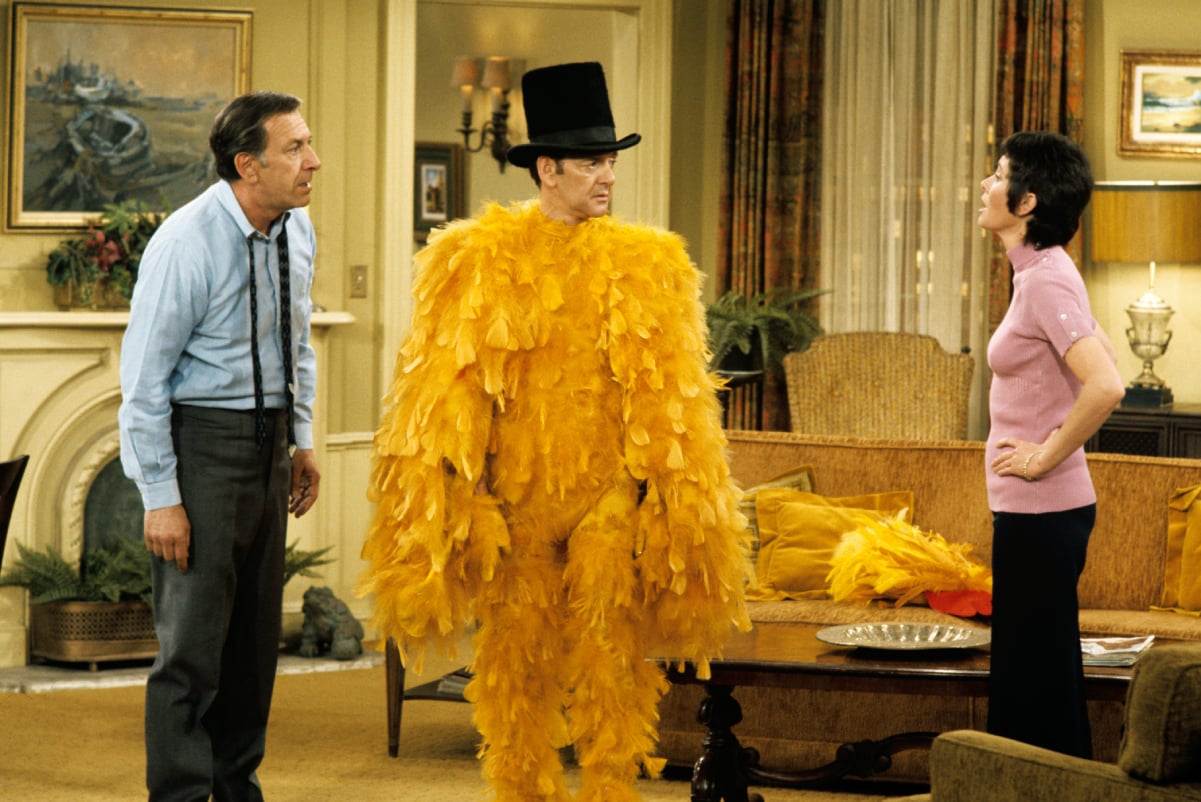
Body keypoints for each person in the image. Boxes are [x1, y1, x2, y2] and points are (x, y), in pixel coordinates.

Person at [359, 62, 751, 802]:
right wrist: (459, 495)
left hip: (609, 497)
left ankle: (607, 791)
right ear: (547, 169)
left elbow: (674, 399)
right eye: (591, 163)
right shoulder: (475, 260)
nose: (606, 177)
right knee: (515, 672)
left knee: (613, 667)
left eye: (610, 161)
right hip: (516, 505)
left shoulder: (650, 263)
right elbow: (446, 390)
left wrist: (672, 503)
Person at [118, 89, 322, 801]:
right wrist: (161, 499)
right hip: (201, 444)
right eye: (294, 149)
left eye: (308, 145)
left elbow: (297, 344)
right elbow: (143, 384)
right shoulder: (184, 243)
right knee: (192, 653)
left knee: (253, 647)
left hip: (269, 448)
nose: (312, 162)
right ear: (247, 164)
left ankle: (237, 789)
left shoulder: (297, 231)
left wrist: (300, 440)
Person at [978, 130, 1124, 758]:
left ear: (1027, 201)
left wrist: (1041, 456)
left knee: (1032, 687)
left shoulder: (1045, 281)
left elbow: (1107, 384)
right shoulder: (1040, 272)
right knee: (1038, 679)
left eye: (999, 173)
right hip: (1034, 516)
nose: (985, 183)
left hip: (1043, 515)